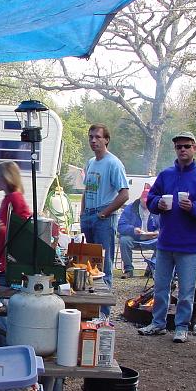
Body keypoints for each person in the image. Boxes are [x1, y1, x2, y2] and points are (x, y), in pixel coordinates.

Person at [138, 131, 196, 343]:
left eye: (187, 146)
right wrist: (158, 204)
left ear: (195, 148)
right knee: (161, 287)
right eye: (179, 146)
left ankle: (182, 327)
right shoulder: (166, 175)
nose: (182, 149)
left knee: (186, 290)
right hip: (165, 241)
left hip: (190, 244)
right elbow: (151, 199)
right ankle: (158, 324)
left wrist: (194, 207)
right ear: (175, 149)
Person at [80, 123, 129, 315]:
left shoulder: (113, 163)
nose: (93, 140)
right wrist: (83, 212)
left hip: (104, 217)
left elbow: (124, 194)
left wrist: (104, 213)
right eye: (91, 137)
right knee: (87, 264)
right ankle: (90, 309)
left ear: (106, 139)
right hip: (89, 215)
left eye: (98, 137)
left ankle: (103, 314)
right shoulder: (91, 162)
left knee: (103, 265)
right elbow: (86, 189)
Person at [0, 161, 32, 272]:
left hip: (9, 258)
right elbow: (5, 224)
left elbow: (22, 233)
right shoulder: (8, 198)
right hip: (3, 254)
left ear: (5, 178)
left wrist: (1, 228)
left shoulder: (15, 198)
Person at [117, 187, 159, 278]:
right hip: (134, 238)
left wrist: (158, 232)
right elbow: (120, 226)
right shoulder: (130, 208)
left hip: (152, 239)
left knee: (163, 241)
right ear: (140, 199)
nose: (146, 203)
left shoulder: (157, 210)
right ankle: (128, 270)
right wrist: (133, 230)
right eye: (144, 201)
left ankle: (151, 269)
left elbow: (164, 226)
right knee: (124, 240)